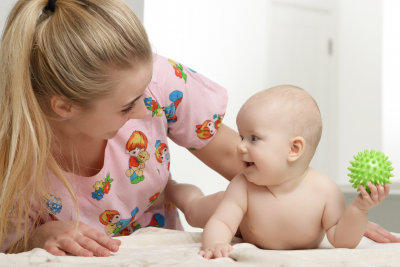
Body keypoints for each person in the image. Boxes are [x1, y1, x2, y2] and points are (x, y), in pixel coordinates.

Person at [0, 0, 397, 258]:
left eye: (146, 89)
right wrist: (38, 236)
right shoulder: (12, 147)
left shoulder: (158, 84)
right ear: (63, 107)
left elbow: (236, 157)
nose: (145, 106)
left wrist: (325, 211)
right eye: (126, 106)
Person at [165, 85, 395, 259]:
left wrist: (359, 209)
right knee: (195, 211)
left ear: (294, 149)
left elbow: (341, 240)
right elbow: (224, 223)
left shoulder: (325, 192)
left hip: (251, 225)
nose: (240, 146)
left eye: (253, 138)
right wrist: (215, 243)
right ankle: (172, 188)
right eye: (241, 136)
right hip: (234, 217)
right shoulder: (243, 185)